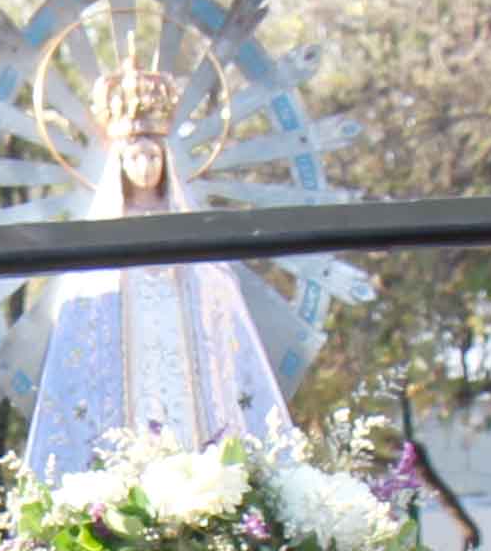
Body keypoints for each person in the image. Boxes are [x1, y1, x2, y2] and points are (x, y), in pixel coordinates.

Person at [19, 58, 300, 475]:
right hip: (126, 351)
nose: (145, 166)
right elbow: (83, 315)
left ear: (166, 160)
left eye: (152, 156)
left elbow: (219, 302)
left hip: (183, 348)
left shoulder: (187, 229)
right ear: (120, 165)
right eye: (135, 157)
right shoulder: (103, 236)